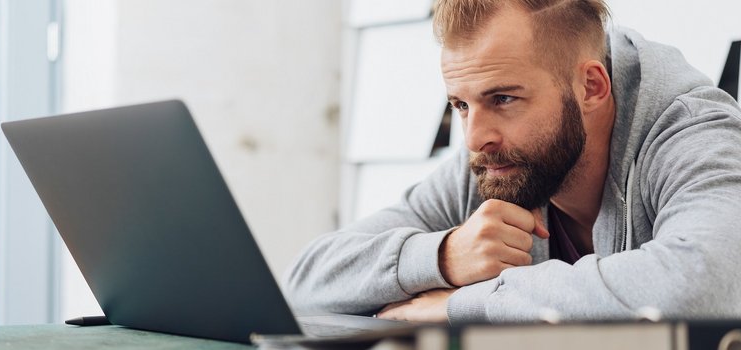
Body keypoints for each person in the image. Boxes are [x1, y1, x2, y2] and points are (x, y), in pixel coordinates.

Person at [284, 0, 741, 324]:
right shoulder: (498, 162)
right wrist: (443, 257)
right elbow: (306, 282)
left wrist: (467, 304)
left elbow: (705, 284)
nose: (474, 138)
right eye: (460, 105)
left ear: (591, 87)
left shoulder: (691, 135)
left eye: (503, 98)